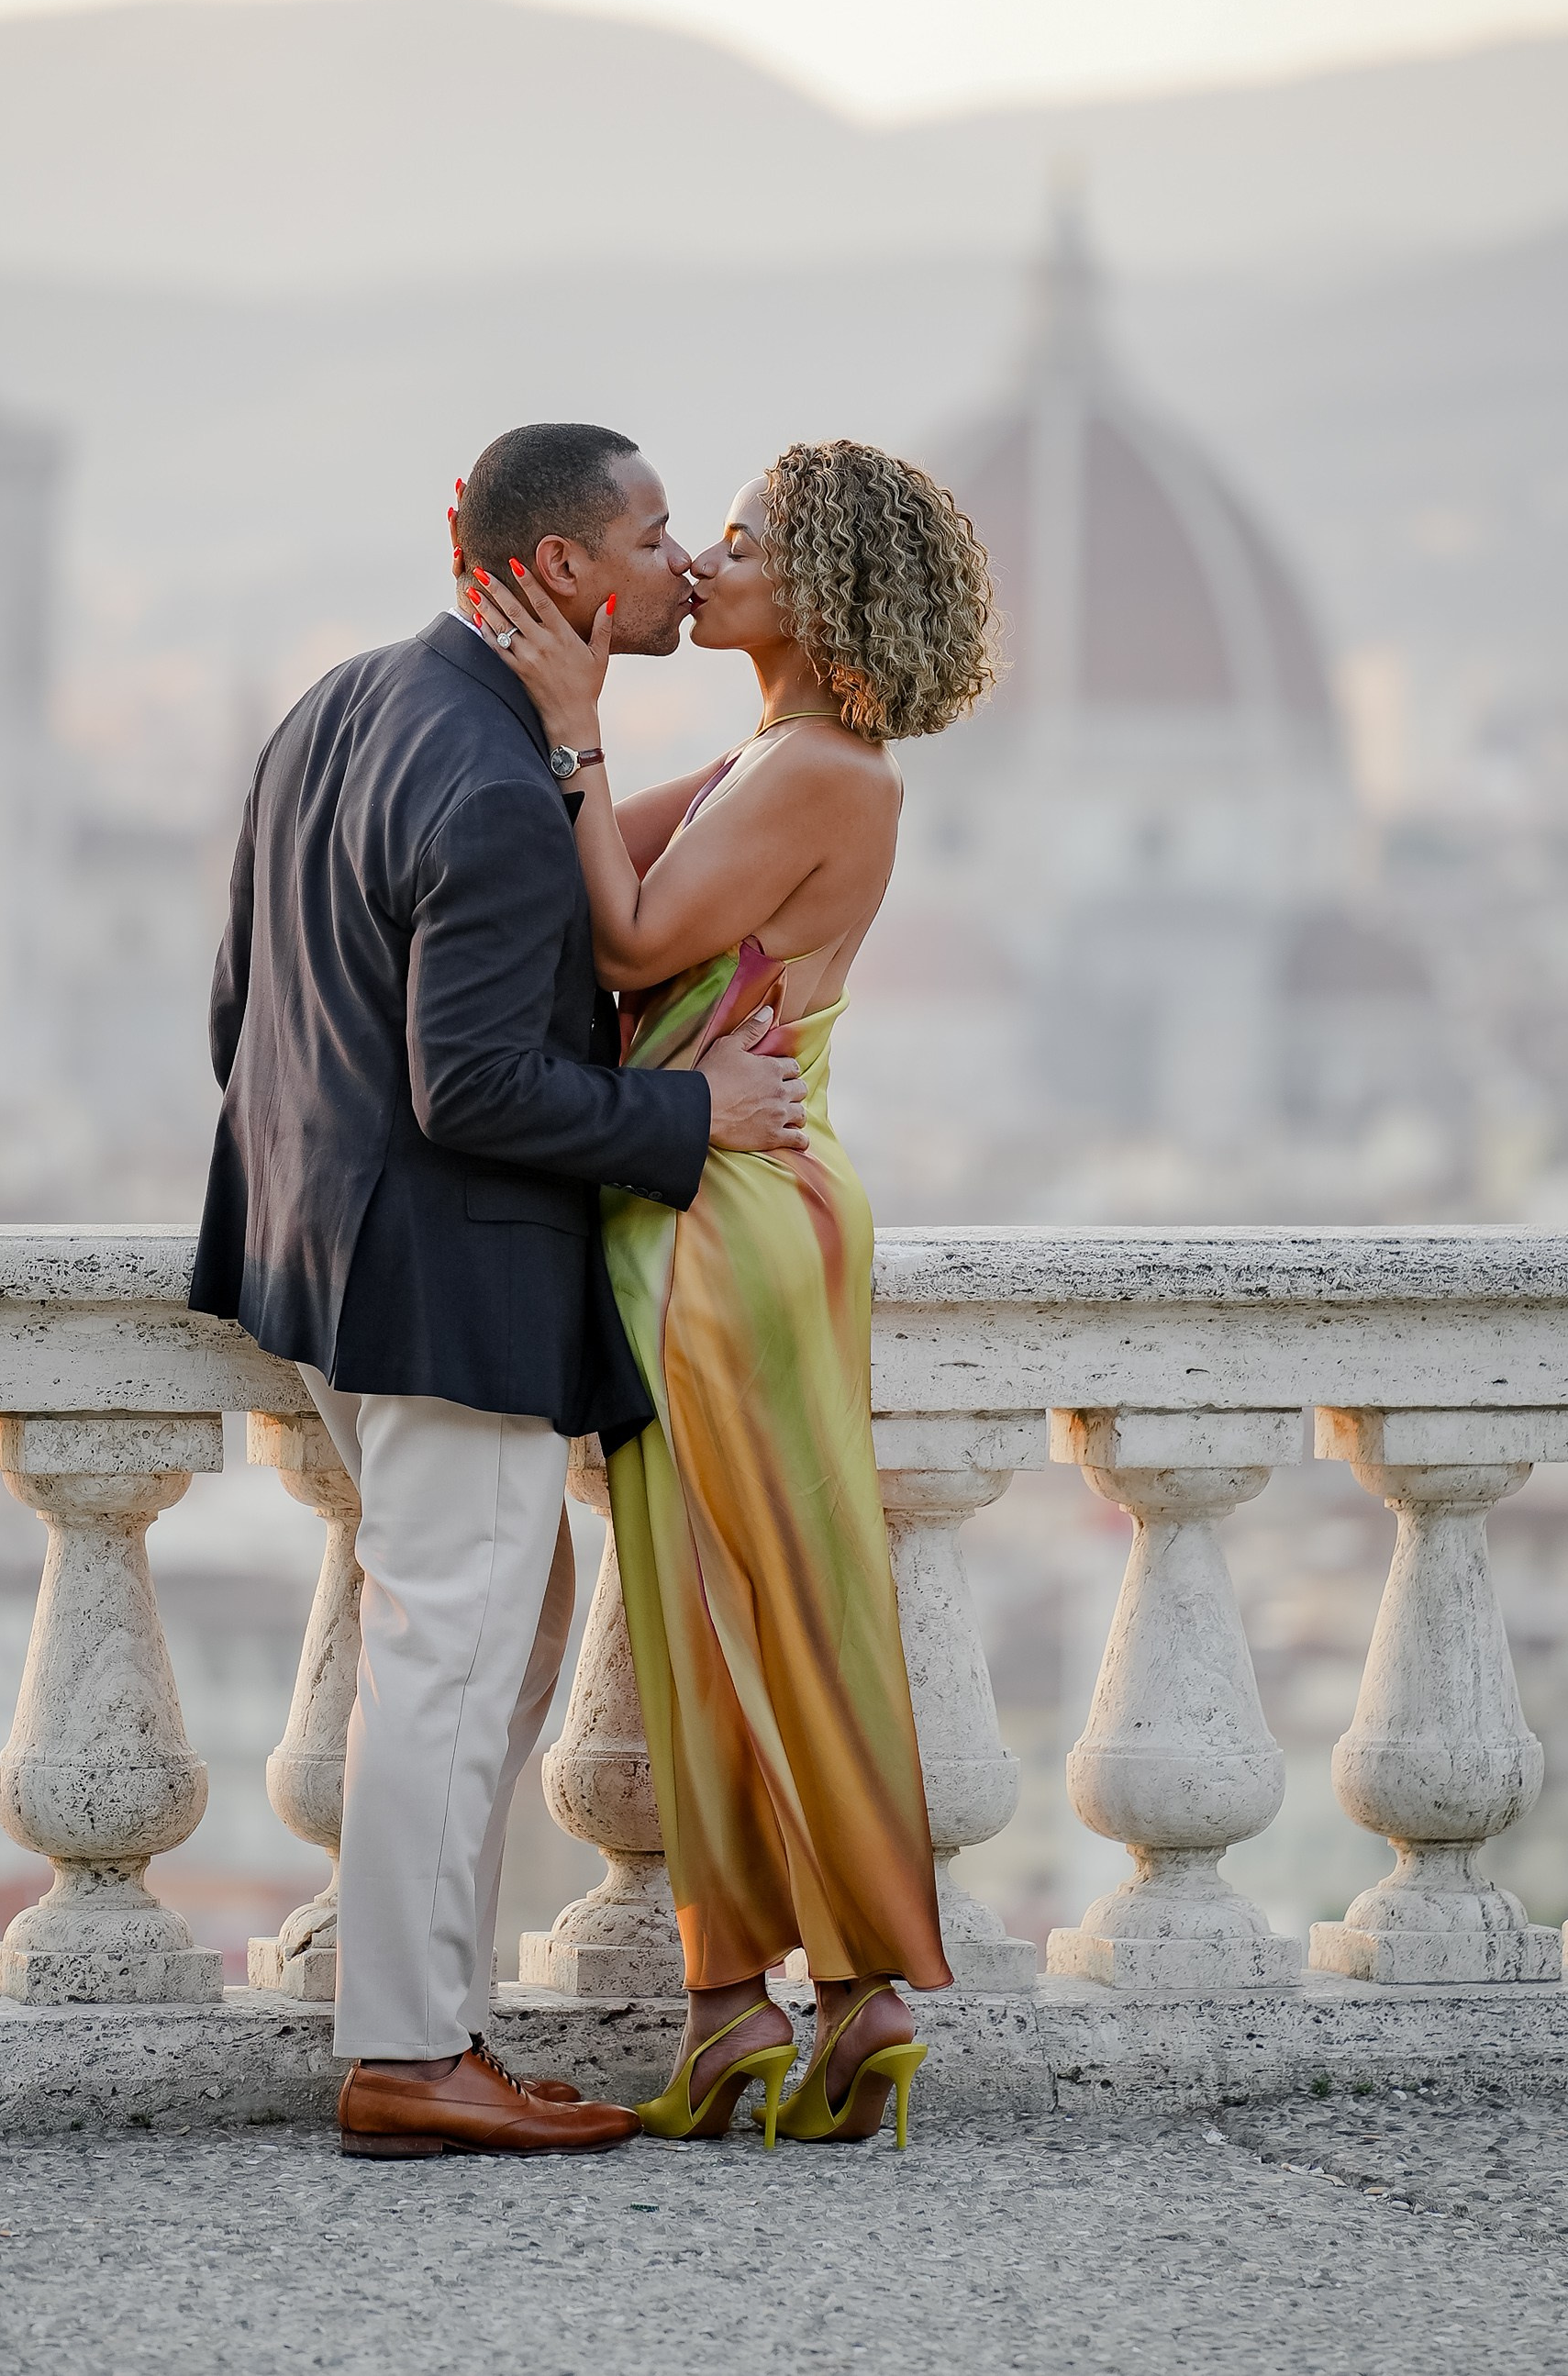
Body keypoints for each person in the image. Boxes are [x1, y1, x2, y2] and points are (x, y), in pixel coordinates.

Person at [190, 422, 809, 2159]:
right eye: (652, 532)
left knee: (488, 1635)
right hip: (444, 1289)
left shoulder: (343, 703)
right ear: (556, 570)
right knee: (451, 1661)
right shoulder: (495, 782)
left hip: (315, 1253)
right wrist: (699, 1113)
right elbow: (473, 1086)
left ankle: (440, 2025)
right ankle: (405, 2054)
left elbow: (238, 1002)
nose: (680, 562)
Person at [465, 437, 995, 2151]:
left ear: (821, 593)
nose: (704, 564)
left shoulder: (825, 768)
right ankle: (785, 2012)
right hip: (739, 1202)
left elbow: (625, 944)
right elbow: (564, 872)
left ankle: (833, 1991)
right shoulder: (781, 754)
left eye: (745, 544)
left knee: (746, 1614)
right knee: (743, 1604)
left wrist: (571, 720)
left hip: (723, 1219)